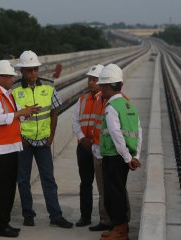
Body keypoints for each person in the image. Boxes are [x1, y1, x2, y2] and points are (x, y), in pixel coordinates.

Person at [11, 50, 73, 228]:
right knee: (23, 179)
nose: (33, 73)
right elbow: (11, 116)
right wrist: (18, 137)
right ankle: (28, 214)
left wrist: (51, 136)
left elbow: (54, 111)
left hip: (44, 141)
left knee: (48, 179)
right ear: (22, 71)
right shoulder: (14, 89)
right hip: (24, 141)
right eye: (29, 70)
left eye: (35, 69)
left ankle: (55, 216)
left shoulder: (48, 86)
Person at [0, 60, 41, 238]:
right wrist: (20, 113)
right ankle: (0, 227)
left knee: (9, 188)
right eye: (9, 76)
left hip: (11, 147)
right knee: (4, 189)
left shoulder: (7, 95)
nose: (11, 79)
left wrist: (25, 113)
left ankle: (5, 223)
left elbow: (14, 118)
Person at [97, 64, 142, 240]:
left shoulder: (111, 107)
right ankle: (118, 227)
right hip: (124, 157)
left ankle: (120, 231)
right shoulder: (128, 105)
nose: (101, 89)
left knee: (113, 194)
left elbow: (116, 135)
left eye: (102, 86)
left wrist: (126, 158)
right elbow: (139, 132)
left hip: (113, 157)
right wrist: (135, 156)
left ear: (107, 87)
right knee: (118, 191)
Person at [72, 64, 104, 227]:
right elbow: (75, 120)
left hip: (99, 148)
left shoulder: (105, 99)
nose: (91, 82)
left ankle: (104, 219)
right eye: (90, 79)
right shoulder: (83, 99)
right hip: (84, 147)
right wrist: (82, 138)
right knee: (85, 183)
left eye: (95, 79)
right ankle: (85, 217)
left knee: (103, 184)